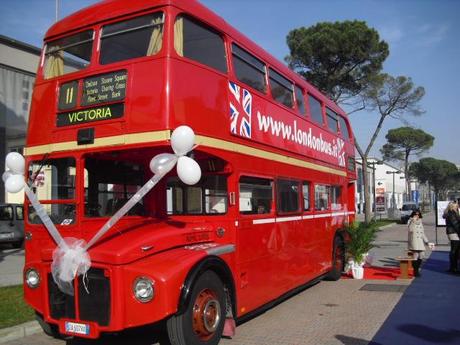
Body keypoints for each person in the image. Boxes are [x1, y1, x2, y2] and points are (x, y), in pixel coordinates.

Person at [407, 210, 434, 277]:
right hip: (414, 241)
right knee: (415, 256)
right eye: (415, 214)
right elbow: (410, 230)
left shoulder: (420, 222)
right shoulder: (410, 221)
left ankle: (416, 269)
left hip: (420, 241)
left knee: (422, 255)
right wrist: (413, 221)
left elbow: (422, 233)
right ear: (413, 215)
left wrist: (427, 242)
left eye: (418, 214)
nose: (417, 216)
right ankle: (416, 272)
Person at [443, 201, 460, 273]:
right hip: (454, 233)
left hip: (453, 232)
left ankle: (454, 267)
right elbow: (456, 224)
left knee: (455, 250)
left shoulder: (452, 213)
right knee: (454, 250)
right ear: (453, 206)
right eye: (456, 206)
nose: (457, 206)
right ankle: (453, 268)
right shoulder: (452, 213)